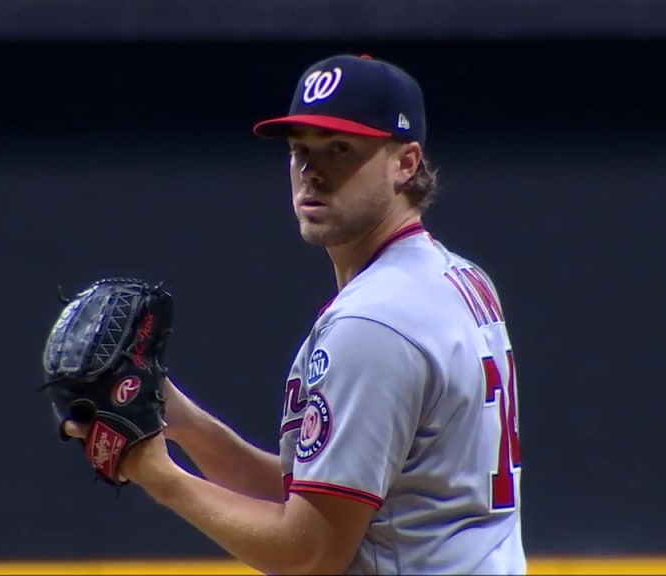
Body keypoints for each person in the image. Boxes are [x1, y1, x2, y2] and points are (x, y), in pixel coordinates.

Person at [66, 53, 526, 575]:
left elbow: (310, 554)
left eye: (339, 149)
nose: (312, 171)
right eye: (298, 150)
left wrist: (157, 475)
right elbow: (321, 500)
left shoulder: (373, 322)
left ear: (406, 162)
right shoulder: (455, 279)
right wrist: (182, 421)